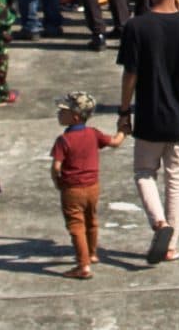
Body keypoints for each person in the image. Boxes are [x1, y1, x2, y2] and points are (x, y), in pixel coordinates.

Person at [116, 0, 179, 265]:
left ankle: (159, 223)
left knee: (144, 173)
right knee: (176, 181)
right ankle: (171, 245)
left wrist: (124, 111)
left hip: (150, 115)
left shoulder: (136, 27)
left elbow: (130, 74)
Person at [49, 90, 123, 279]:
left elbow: (56, 167)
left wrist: (57, 182)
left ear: (74, 116)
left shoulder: (63, 140)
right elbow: (115, 142)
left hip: (72, 189)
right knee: (91, 220)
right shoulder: (93, 133)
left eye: (63, 111)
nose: (59, 113)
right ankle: (92, 253)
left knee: (76, 226)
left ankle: (83, 266)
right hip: (93, 187)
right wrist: (124, 130)